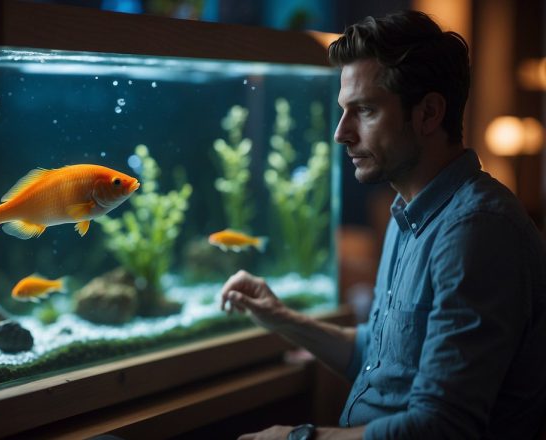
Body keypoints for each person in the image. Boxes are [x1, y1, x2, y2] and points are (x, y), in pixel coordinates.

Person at [221, 10, 546, 440]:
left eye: (365, 111)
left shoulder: (478, 230)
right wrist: (283, 318)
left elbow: (441, 427)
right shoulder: (407, 213)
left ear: (429, 113)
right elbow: (380, 358)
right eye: (343, 111)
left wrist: (299, 438)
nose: (341, 133)